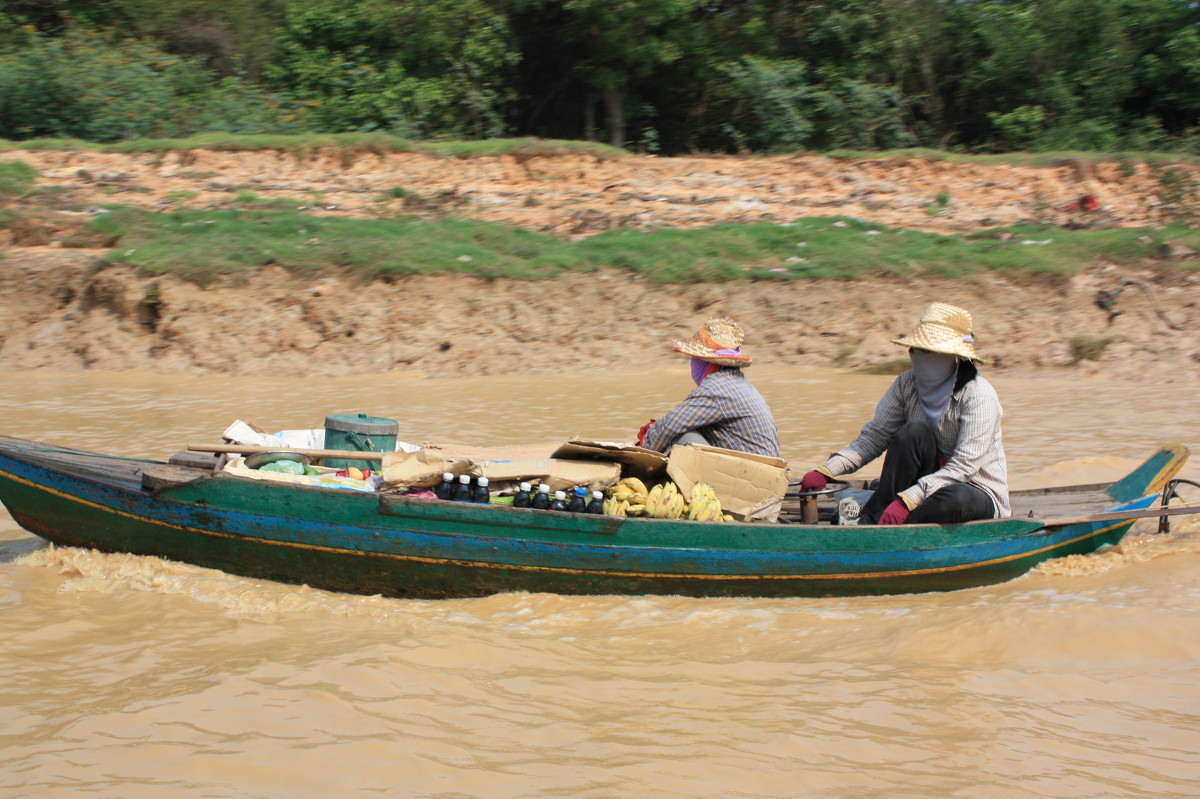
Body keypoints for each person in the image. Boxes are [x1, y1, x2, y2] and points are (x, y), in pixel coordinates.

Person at [799, 302, 1010, 525]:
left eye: (929, 352)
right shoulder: (906, 384)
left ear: (951, 356)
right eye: (917, 350)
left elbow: (964, 467)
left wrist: (907, 501)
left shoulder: (978, 397)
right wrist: (826, 471)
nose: (919, 357)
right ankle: (876, 519)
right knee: (912, 433)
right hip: (922, 486)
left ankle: (887, 520)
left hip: (973, 489)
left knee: (954, 498)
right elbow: (875, 436)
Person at [638, 316, 780, 458]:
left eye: (694, 358)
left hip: (753, 474)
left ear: (706, 362)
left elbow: (670, 426)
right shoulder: (742, 384)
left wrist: (642, 451)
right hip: (765, 468)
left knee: (683, 436)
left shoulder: (715, 388)